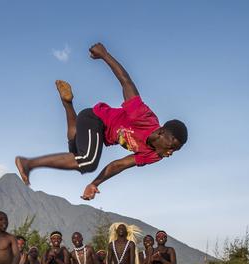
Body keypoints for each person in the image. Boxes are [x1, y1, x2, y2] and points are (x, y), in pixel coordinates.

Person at [15, 42, 188, 201]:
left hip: (98, 135)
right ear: (161, 133)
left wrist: (95, 183)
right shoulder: (143, 116)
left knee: (76, 154)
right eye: (172, 146)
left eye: (176, 151)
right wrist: (105, 54)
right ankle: (28, 163)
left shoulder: (153, 156)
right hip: (95, 118)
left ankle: (67, 104)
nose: (171, 153)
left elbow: (118, 165)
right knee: (88, 161)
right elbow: (126, 82)